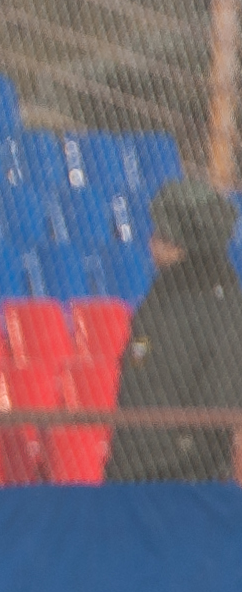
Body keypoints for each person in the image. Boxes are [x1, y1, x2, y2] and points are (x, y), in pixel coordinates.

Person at [106, 181, 242, 485]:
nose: (151, 244)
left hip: (173, 475)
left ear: (177, 243)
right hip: (151, 468)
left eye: (160, 236)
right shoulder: (162, 300)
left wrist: (186, 452)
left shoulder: (218, 307)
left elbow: (220, 397)